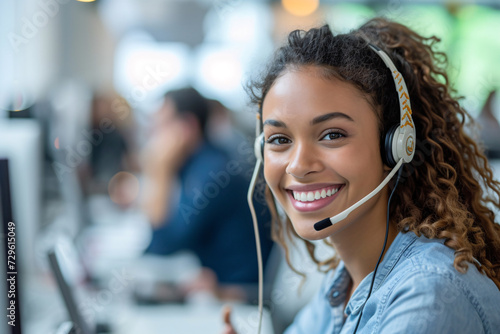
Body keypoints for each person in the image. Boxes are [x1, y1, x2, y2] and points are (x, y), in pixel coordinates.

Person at [223, 18, 500, 333]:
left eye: (332, 135)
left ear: (396, 147)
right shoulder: (346, 281)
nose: (298, 166)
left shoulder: (429, 294)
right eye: (279, 139)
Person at [141, 87, 274, 301]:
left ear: (187, 127)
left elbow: (163, 246)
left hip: (238, 296)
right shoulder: (200, 164)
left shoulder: (212, 174)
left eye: (161, 126)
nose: (154, 137)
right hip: (215, 287)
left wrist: (158, 171)